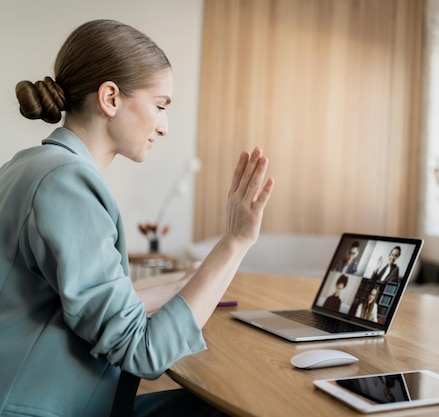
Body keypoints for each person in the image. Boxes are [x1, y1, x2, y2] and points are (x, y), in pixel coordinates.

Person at [0, 20, 274, 417]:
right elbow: (142, 352)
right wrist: (235, 242)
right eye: (160, 105)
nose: (163, 127)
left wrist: (187, 284)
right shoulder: (69, 183)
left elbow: (82, 302)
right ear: (110, 97)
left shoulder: (28, 165)